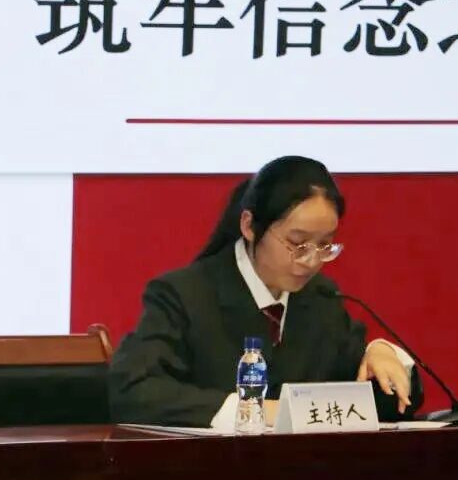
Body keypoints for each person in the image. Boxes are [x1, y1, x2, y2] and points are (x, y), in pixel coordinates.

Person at [109, 155, 418, 428]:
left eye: (324, 245)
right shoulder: (183, 295)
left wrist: (382, 353)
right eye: (297, 243)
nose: (311, 261)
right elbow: (134, 391)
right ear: (249, 226)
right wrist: (253, 410)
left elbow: (388, 406)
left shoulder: (321, 298)